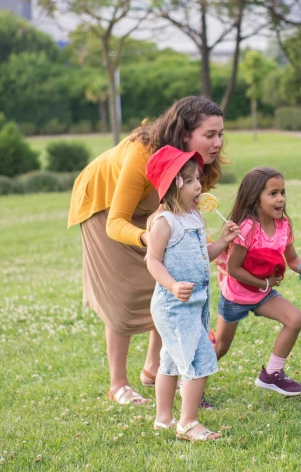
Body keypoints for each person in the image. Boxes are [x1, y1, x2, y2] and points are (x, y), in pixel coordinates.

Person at [67, 96, 227, 406]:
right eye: (210, 135)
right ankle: (118, 384)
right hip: (104, 205)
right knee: (123, 293)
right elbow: (116, 222)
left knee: (169, 280)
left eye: (220, 134)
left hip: (154, 208)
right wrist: (151, 239)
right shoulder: (143, 154)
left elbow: (187, 213)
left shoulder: (195, 163)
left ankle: (155, 369)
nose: (218, 142)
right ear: (183, 133)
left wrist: (209, 246)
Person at [144, 145, 240, 441]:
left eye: (199, 178)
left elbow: (202, 255)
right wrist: (172, 284)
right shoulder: (165, 222)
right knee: (200, 359)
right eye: (192, 180)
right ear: (175, 183)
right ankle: (187, 422)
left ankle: (163, 418)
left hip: (195, 303)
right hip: (173, 305)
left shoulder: (195, 217)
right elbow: (152, 260)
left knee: (171, 361)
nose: (200, 185)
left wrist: (223, 242)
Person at [214, 167, 301, 396]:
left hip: (262, 293)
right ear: (254, 199)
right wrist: (265, 284)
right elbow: (233, 269)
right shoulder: (247, 228)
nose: (281, 198)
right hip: (237, 295)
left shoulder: (283, 225)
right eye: (273, 194)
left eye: (282, 192)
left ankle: (272, 373)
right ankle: (189, 380)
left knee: (295, 319)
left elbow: (291, 259)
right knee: (220, 347)